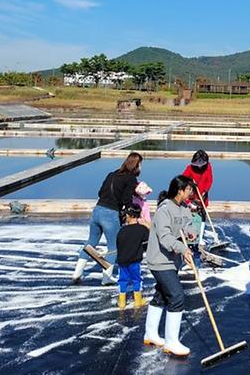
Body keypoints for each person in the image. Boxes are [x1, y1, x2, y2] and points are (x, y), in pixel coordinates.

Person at [72, 152, 143, 285]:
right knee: (113, 248)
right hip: (110, 214)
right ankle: (106, 278)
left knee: (90, 243)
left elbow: (100, 192)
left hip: (97, 210)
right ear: (137, 165)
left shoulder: (112, 174)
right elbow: (126, 199)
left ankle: (77, 273)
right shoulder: (130, 178)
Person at [143, 175, 195, 356]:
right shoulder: (164, 210)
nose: (191, 192)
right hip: (160, 260)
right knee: (176, 296)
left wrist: (191, 233)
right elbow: (165, 238)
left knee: (161, 296)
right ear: (180, 190)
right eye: (188, 189)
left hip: (172, 260)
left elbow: (188, 225)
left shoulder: (184, 208)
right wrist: (182, 249)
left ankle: (150, 334)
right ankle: (171, 342)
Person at [116, 204, 150, 309]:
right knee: (136, 279)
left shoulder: (122, 230)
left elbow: (118, 245)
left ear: (129, 216)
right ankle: (138, 301)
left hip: (122, 261)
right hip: (134, 261)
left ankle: (122, 302)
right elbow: (147, 244)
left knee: (122, 279)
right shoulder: (142, 229)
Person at [182, 150, 213, 249]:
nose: (199, 167)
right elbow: (182, 181)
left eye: (201, 164)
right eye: (197, 164)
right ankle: (188, 235)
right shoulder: (189, 168)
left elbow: (210, 180)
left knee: (202, 214)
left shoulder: (208, 167)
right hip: (191, 195)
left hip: (202, 195)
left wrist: (205, 191)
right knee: (189, 214)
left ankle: (200, 238)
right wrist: (190, 183)